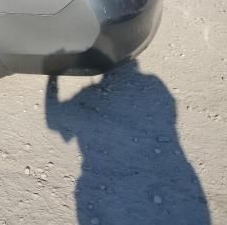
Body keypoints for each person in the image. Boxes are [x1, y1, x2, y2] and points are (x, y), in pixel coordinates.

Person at [45, 61, 210, 225]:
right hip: (174, 174)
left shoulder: (152, 83)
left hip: (99, 184)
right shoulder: (153, 83)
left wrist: (53, 75)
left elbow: (53, 120)